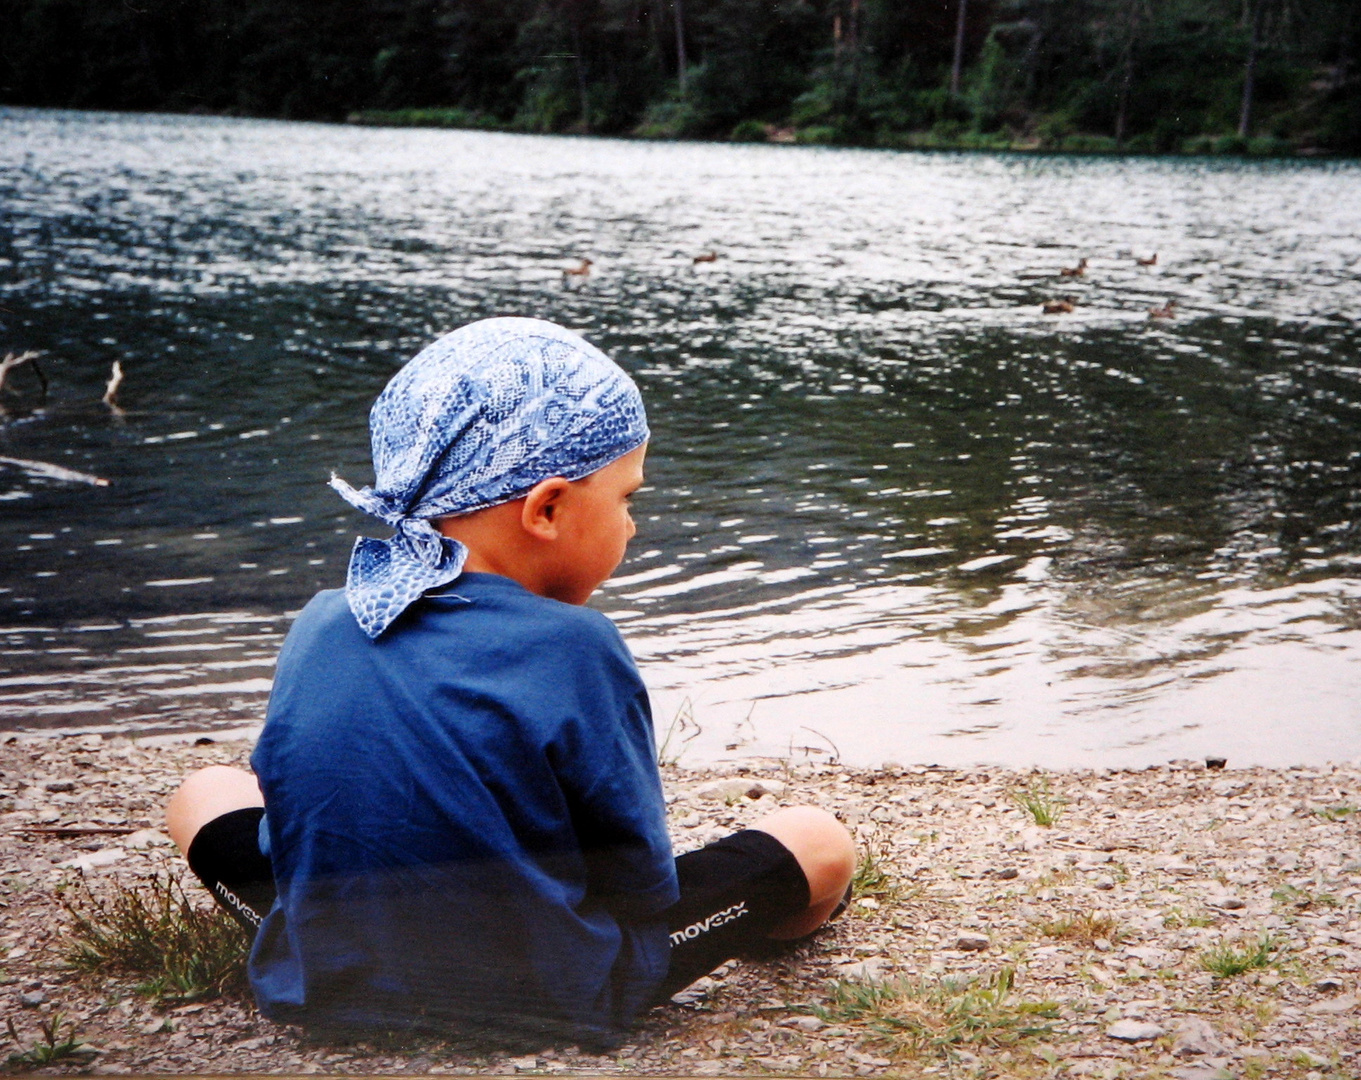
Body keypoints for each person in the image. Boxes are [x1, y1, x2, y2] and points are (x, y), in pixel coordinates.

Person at [165, 317, 855, 1045]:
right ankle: (774, 924)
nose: (632, 528)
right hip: (546, 996)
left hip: (324, 977)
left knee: (204, 792)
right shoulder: (575, 644)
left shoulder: (322, 620)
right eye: (627, 500)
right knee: (816, 841)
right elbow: (639, 884)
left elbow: (300, 826)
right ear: (547, 509)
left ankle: (315, 936)